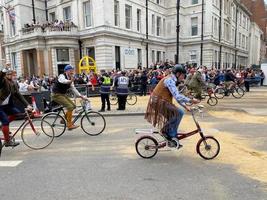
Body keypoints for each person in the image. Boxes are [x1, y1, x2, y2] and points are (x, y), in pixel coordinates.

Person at [145, 65, 199, 149]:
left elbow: (176, 96)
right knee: (178, 113)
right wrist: (191, 100)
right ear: (178, 74)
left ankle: (171, 138)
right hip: (158, 101)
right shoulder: (169, 80)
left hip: (160, 101)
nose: (183, 78)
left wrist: (185, 107)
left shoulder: (172, 79)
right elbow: (177, 96)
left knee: (177, 114)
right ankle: (166, 132)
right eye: (183, 75)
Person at [0, 68, 33, 147]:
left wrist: (27, 105)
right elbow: (0, 79)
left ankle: (2, 127)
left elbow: (19, 95)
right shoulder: (3, 81)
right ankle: (7, 141)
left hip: (7, 105)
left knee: (17, 113)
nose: (10, 76)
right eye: (8, 74)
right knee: (5, 121)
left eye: (11, 74)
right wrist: (2, 73)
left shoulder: (14, 83)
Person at [52, 65, 87, 130]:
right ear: (66, 71)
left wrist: (81, 96)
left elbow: (73, 89)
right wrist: (70, 81)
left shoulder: (71, 78)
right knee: (70, 107)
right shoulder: (61, 76)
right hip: (56, 94)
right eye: (70, 70)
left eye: (72, 70)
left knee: (73, 106)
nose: (72, 72)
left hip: (62, 94)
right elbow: (63, 81)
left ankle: (63, 119)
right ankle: (69, 124)